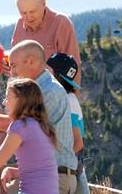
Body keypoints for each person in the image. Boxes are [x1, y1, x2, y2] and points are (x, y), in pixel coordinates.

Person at [0, 40, 78, 193]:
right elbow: (11, 116)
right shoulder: (36, 88)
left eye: (13, 65)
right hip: (42, 173)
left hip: (57, 178)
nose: (11, 72)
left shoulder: (48, 91)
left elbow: (11, 123)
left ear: (30, 62)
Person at [10, 0, 81, 87]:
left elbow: (74, 67)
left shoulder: (61, 23)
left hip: (54, 96)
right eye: (23, 13)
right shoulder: (19, 24)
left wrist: (72, 99)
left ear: (43, 3)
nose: (28, 17)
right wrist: (11, 66)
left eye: (32, 11)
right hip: (27, 96)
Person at [47, 52, 90, 194]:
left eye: (47, 69)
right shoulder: (69, 97)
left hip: (64, 172)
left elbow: (78, 143)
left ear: (56, 75)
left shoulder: (67, 100)